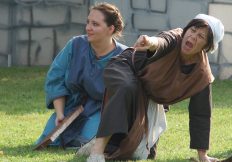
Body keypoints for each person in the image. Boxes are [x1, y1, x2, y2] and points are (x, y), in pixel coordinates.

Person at [81, 13, 224, 162]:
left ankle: (95, 146)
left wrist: (203, 156)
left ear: (207, 47)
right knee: (127, 87)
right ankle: (96, 152)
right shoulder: (175, 37)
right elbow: (162, 41)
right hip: (125, 67)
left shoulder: (202, 75)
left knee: (142, 153)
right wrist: (150, 41)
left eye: (201, 36)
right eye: (192, 30)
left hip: (147, 93)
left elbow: (200, 114)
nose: (193, 37)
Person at [35, 2, 127, 148]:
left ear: (110, 29)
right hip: (73, 106)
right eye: (88, 22)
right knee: (50, 141)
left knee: (84, 142)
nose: (88, 28)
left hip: (103, 111)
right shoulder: (75, 45)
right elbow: (56, 78)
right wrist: (60, 114)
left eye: (95, 24)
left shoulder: (124, 56)